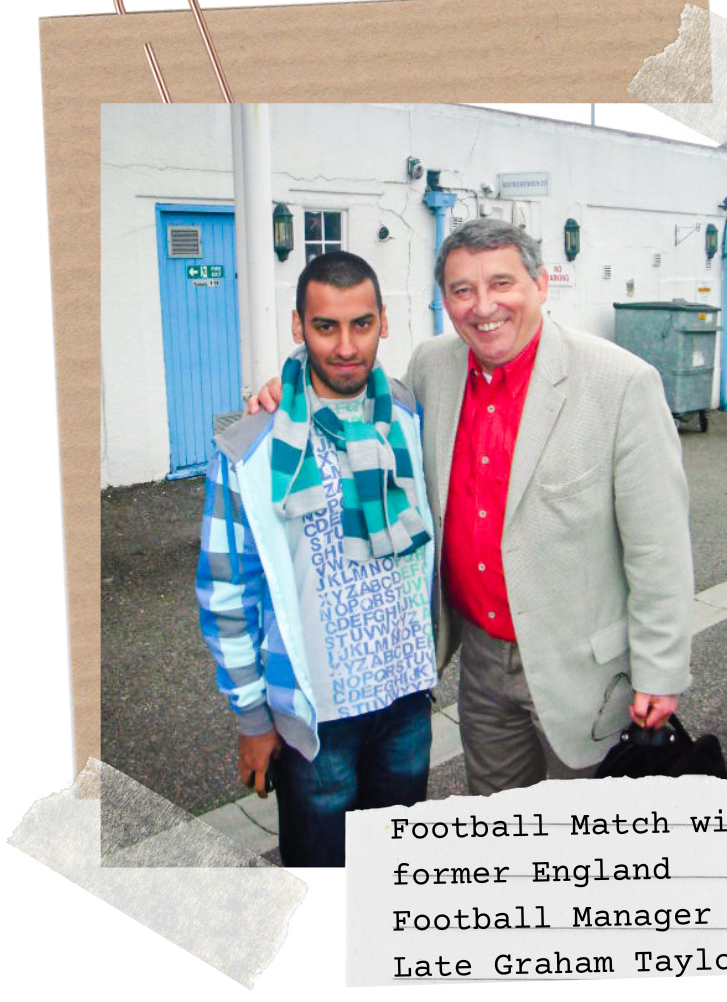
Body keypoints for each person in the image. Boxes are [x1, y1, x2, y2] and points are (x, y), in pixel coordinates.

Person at [253, 220, 693, 796]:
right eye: (463, 290)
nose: (484, 307)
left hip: (585, 671)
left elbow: (658, 546)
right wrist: (289, 389)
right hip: (480, 666)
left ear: (540, 284)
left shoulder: (622, 383)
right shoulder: (433, 368)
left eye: (502, 283)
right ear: (445, 301)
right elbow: (353, 389)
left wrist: (660, 670)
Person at [197, 251, 436, 865]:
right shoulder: (251, 446)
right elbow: (227, 592)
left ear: (384, 321)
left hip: (406, 696)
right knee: (320, 883)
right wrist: (252, 718)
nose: (347, 345)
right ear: (299, 327)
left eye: (361, 323)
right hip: (315, 714)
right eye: (326, 326)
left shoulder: (407, 416)